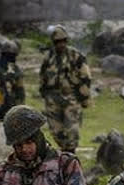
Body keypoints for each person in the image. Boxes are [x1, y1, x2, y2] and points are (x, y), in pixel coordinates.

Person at [39, 25, 91, 153]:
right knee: (55, 130)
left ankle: (70, 154)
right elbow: (42, 75)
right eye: (57, 42)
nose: (61, 44)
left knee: (72, 129)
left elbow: (85, 77)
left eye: (63, 41)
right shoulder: (48, 57)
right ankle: (64, 149)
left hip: (71, 97)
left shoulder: (75, 56)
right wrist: (44, 92)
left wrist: (84, 98)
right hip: (52, 98)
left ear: (66, 41)